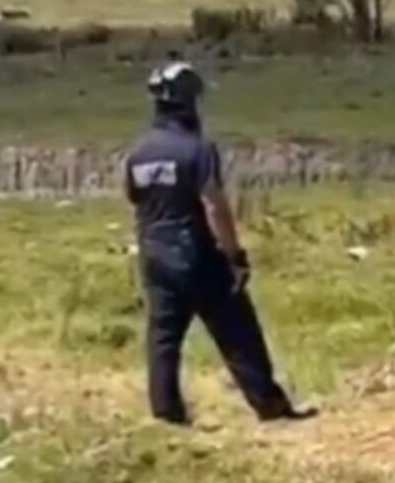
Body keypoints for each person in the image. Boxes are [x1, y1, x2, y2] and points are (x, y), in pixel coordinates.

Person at [125, 58, 316, 426]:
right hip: (198, 256)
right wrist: (234, 255)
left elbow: (133, 196)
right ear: (187, 103)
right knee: (238, 333)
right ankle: (270, 406)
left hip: (155, 257)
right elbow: (214, 205)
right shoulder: (197, 150)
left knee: (163, 339)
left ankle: (166, 415)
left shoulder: (138, 153)